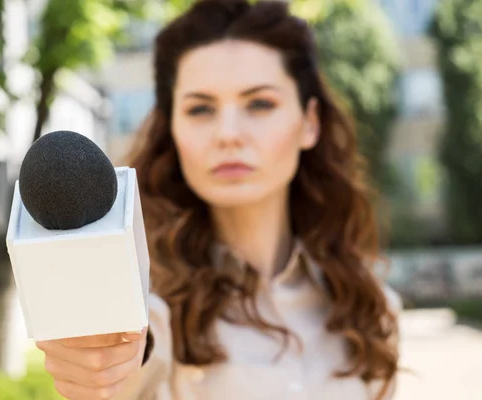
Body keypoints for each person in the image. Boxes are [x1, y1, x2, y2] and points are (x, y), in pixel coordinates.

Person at [35, 0, 402, 399]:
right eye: (200, 109)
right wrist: (108, 360)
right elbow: (132, 360)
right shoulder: (150, 306)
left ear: (309, 123)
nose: (228, 134)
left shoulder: (370, 308)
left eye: (260, 103)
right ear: (172, 129)